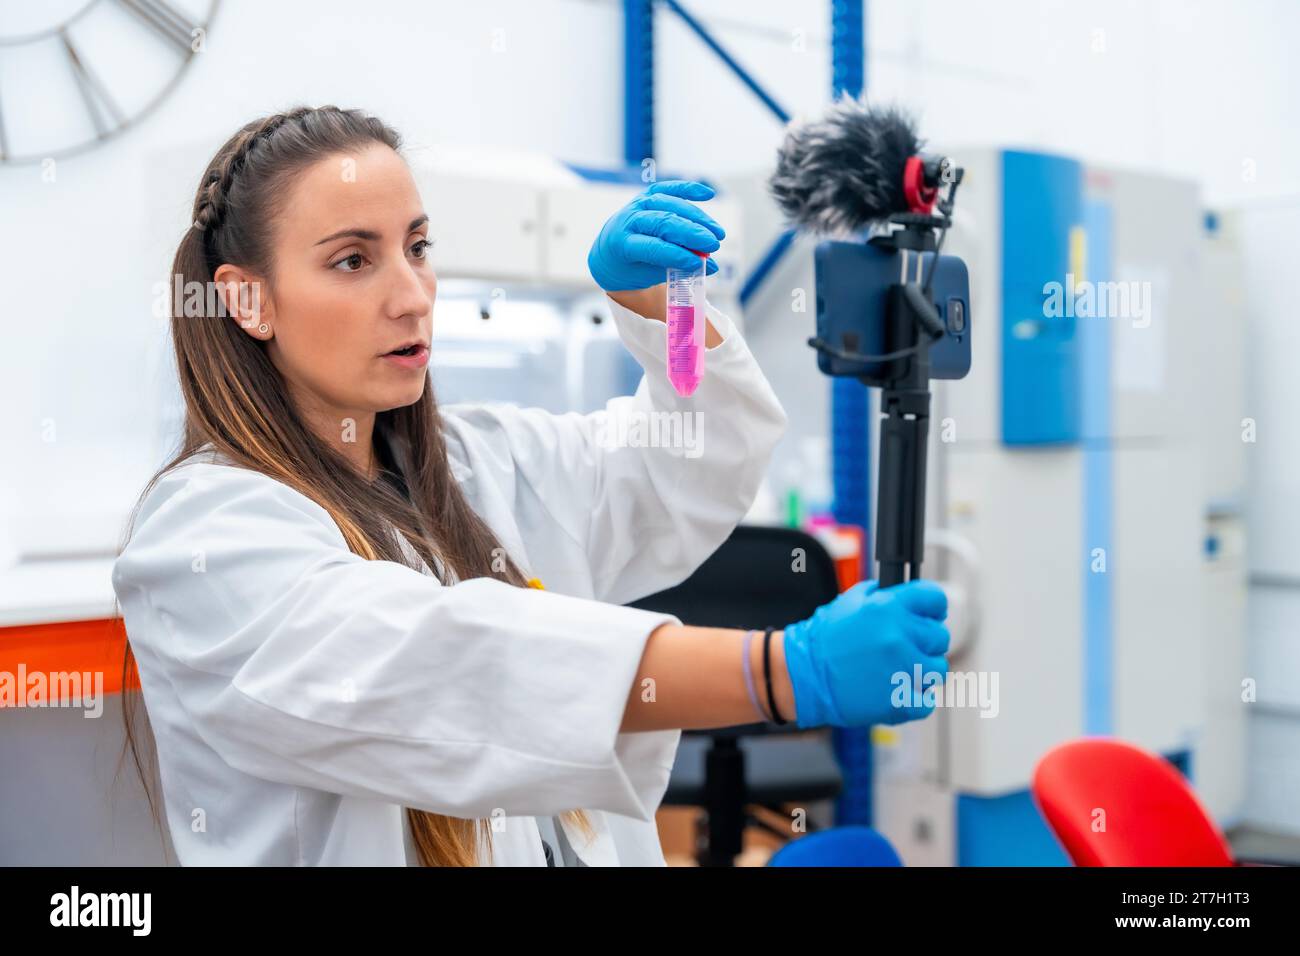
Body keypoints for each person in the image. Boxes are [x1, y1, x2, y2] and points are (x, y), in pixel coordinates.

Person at [112, 105, 949, 867]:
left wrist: (667, 308)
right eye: (353, 260)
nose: (412, 297)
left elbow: (685, 466)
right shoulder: (203, 535)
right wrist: (778, 670)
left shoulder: (477, 462)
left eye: (418, 247)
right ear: (248, 300)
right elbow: (446, 667)